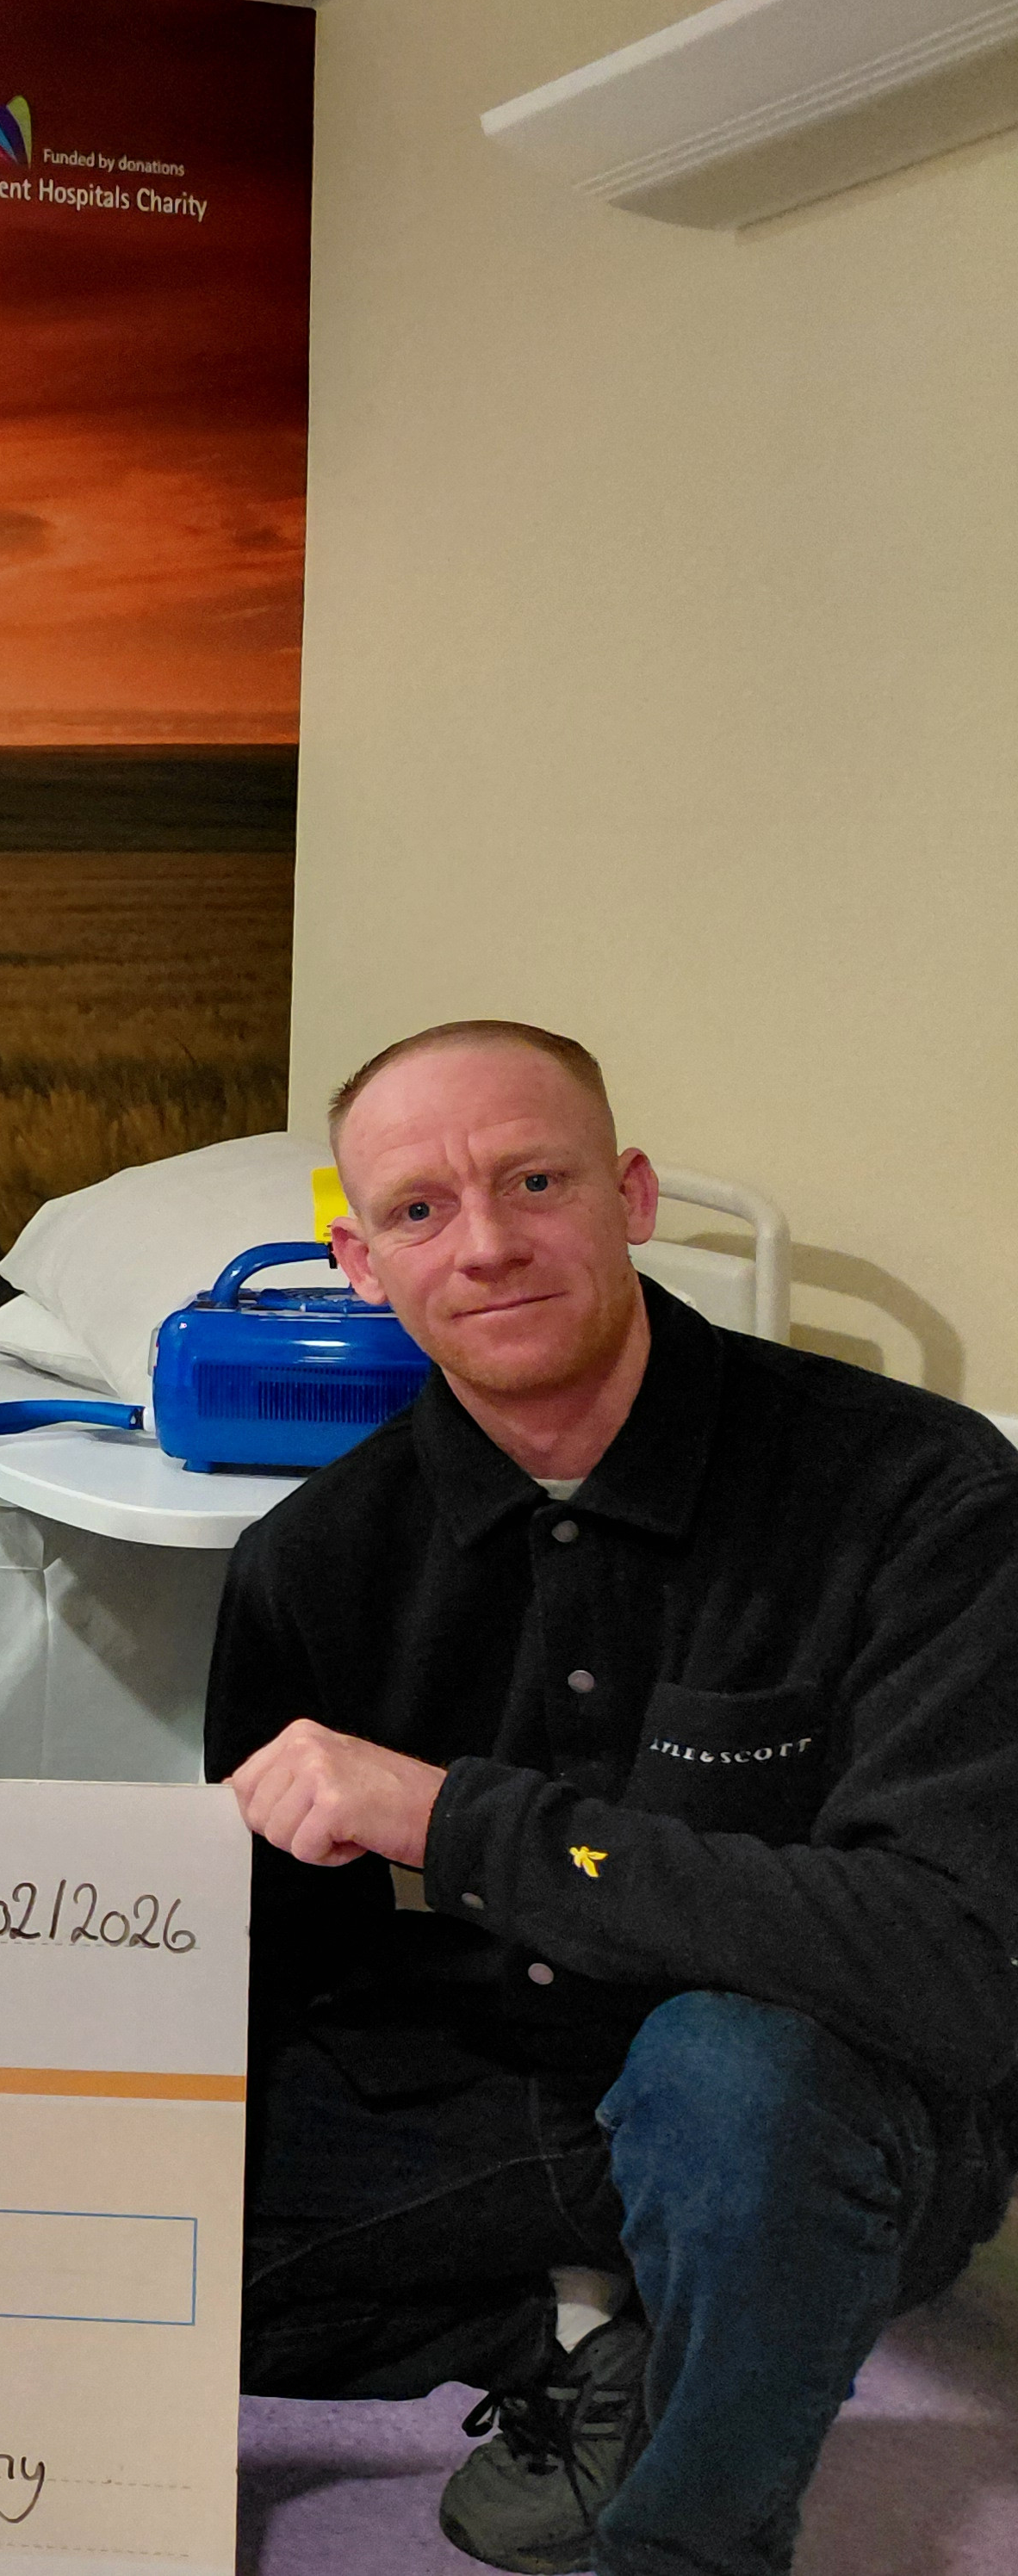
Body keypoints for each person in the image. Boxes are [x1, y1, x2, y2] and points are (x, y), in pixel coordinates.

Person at [211, 1019, 1018, 2576]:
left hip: (796, 2108)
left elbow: (953, 1972)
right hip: (494, 2102)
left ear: (630, 1196)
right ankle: (595, 2333)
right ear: (361, 1262)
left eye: (536, 1181)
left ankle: (691, 2537)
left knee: (734, 2081)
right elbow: (274, 1965)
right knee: (115, 2241)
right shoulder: (310, 1565)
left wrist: (459, 1823)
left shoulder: (920, 1494)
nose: (487, 1245)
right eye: (420, 1209)